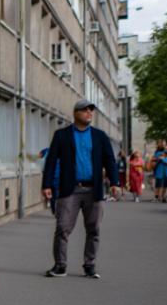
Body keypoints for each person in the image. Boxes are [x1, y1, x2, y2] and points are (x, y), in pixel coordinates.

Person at [41, 100, 121, 279]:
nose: (89, 113)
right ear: (76, 113)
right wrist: (46, 185)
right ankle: (60, 266)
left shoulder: (100, 136)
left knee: (94, 229)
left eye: (91, 110)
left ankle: (89, 265)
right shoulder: (62, 135)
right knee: (62, 228)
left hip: (94, 190)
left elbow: (109, 160)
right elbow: (51, 161)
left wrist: (115, 182)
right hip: (70, 189)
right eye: (85, 110)